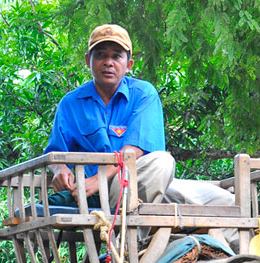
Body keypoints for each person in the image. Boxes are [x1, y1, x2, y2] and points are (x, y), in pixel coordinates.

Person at [45, 24, 174, 210]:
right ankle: (127, 236)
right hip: (98, 194)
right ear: (88, 61)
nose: (108, 62)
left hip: (142, 182)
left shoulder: (143, 94)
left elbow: (134, 150)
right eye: (100, 55)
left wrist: (97, 180)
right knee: (163, 163)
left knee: (218, 198)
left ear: (128, 65)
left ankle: (125, 235)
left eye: (116, 56)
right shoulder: (71, 103)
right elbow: (56, 152)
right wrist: (60, 169)